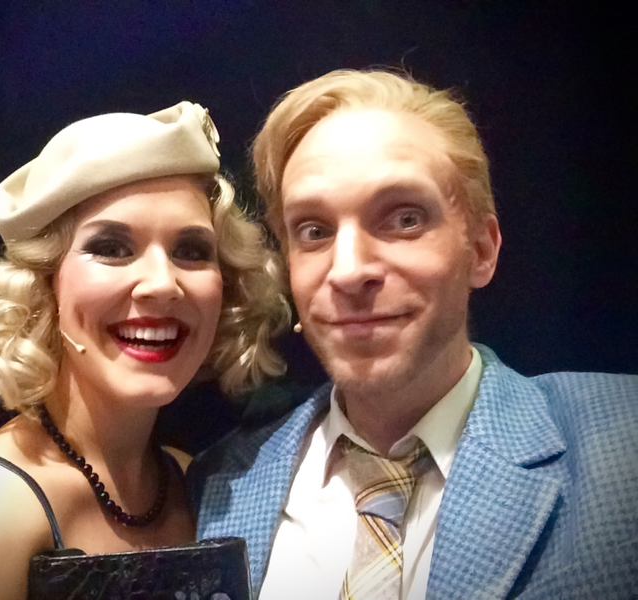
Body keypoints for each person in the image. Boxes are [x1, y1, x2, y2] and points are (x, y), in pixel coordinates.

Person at [189, 70, 638, 599]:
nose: (349, 270)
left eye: (404, 219)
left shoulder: (623, 448)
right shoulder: (216, 483)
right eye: (314, 230)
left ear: (482, 249)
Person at [0, 101, 289, 599]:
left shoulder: (197, 484)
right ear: (43, 284)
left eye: (191, 251)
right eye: (112, 248)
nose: (162, 284)